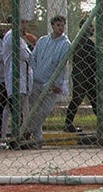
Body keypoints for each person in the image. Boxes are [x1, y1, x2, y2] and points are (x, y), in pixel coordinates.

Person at [26, 14, 73, 147]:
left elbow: (62, 66)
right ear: (52, 26)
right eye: (58, 25)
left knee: (44, 111)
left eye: (62, 25)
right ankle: (37, 140)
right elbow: (33, 57)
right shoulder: (42, 40)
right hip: (37, 80)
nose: (61, 28)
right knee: (33, 110)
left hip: (51, 83)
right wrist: (34, 73)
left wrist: (57, 83)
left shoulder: (65, 44)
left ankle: (26, 132)